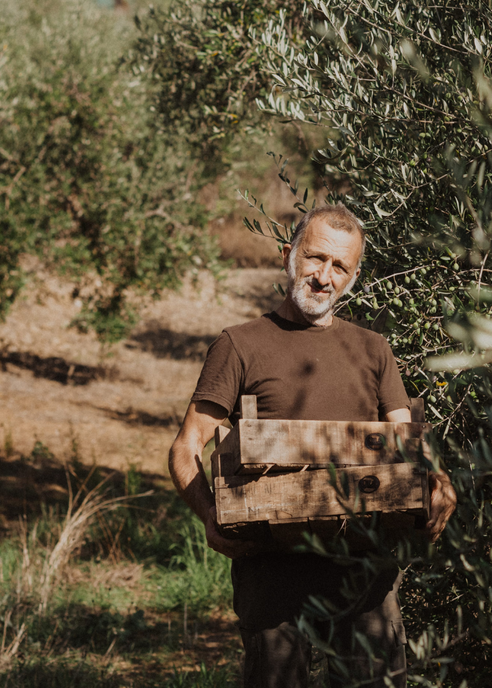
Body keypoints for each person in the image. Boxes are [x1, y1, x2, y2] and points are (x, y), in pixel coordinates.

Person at [168, 204, 457, 687]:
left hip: (364, 567)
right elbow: (186, 445)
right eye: (315, 258)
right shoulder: (241, 344)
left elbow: (409, 446)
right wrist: (208, 518)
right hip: (272, 570)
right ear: (290, 254)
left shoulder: (373, 349)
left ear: (354, 275)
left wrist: (438, 484)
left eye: (339, 266)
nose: (324, 276)